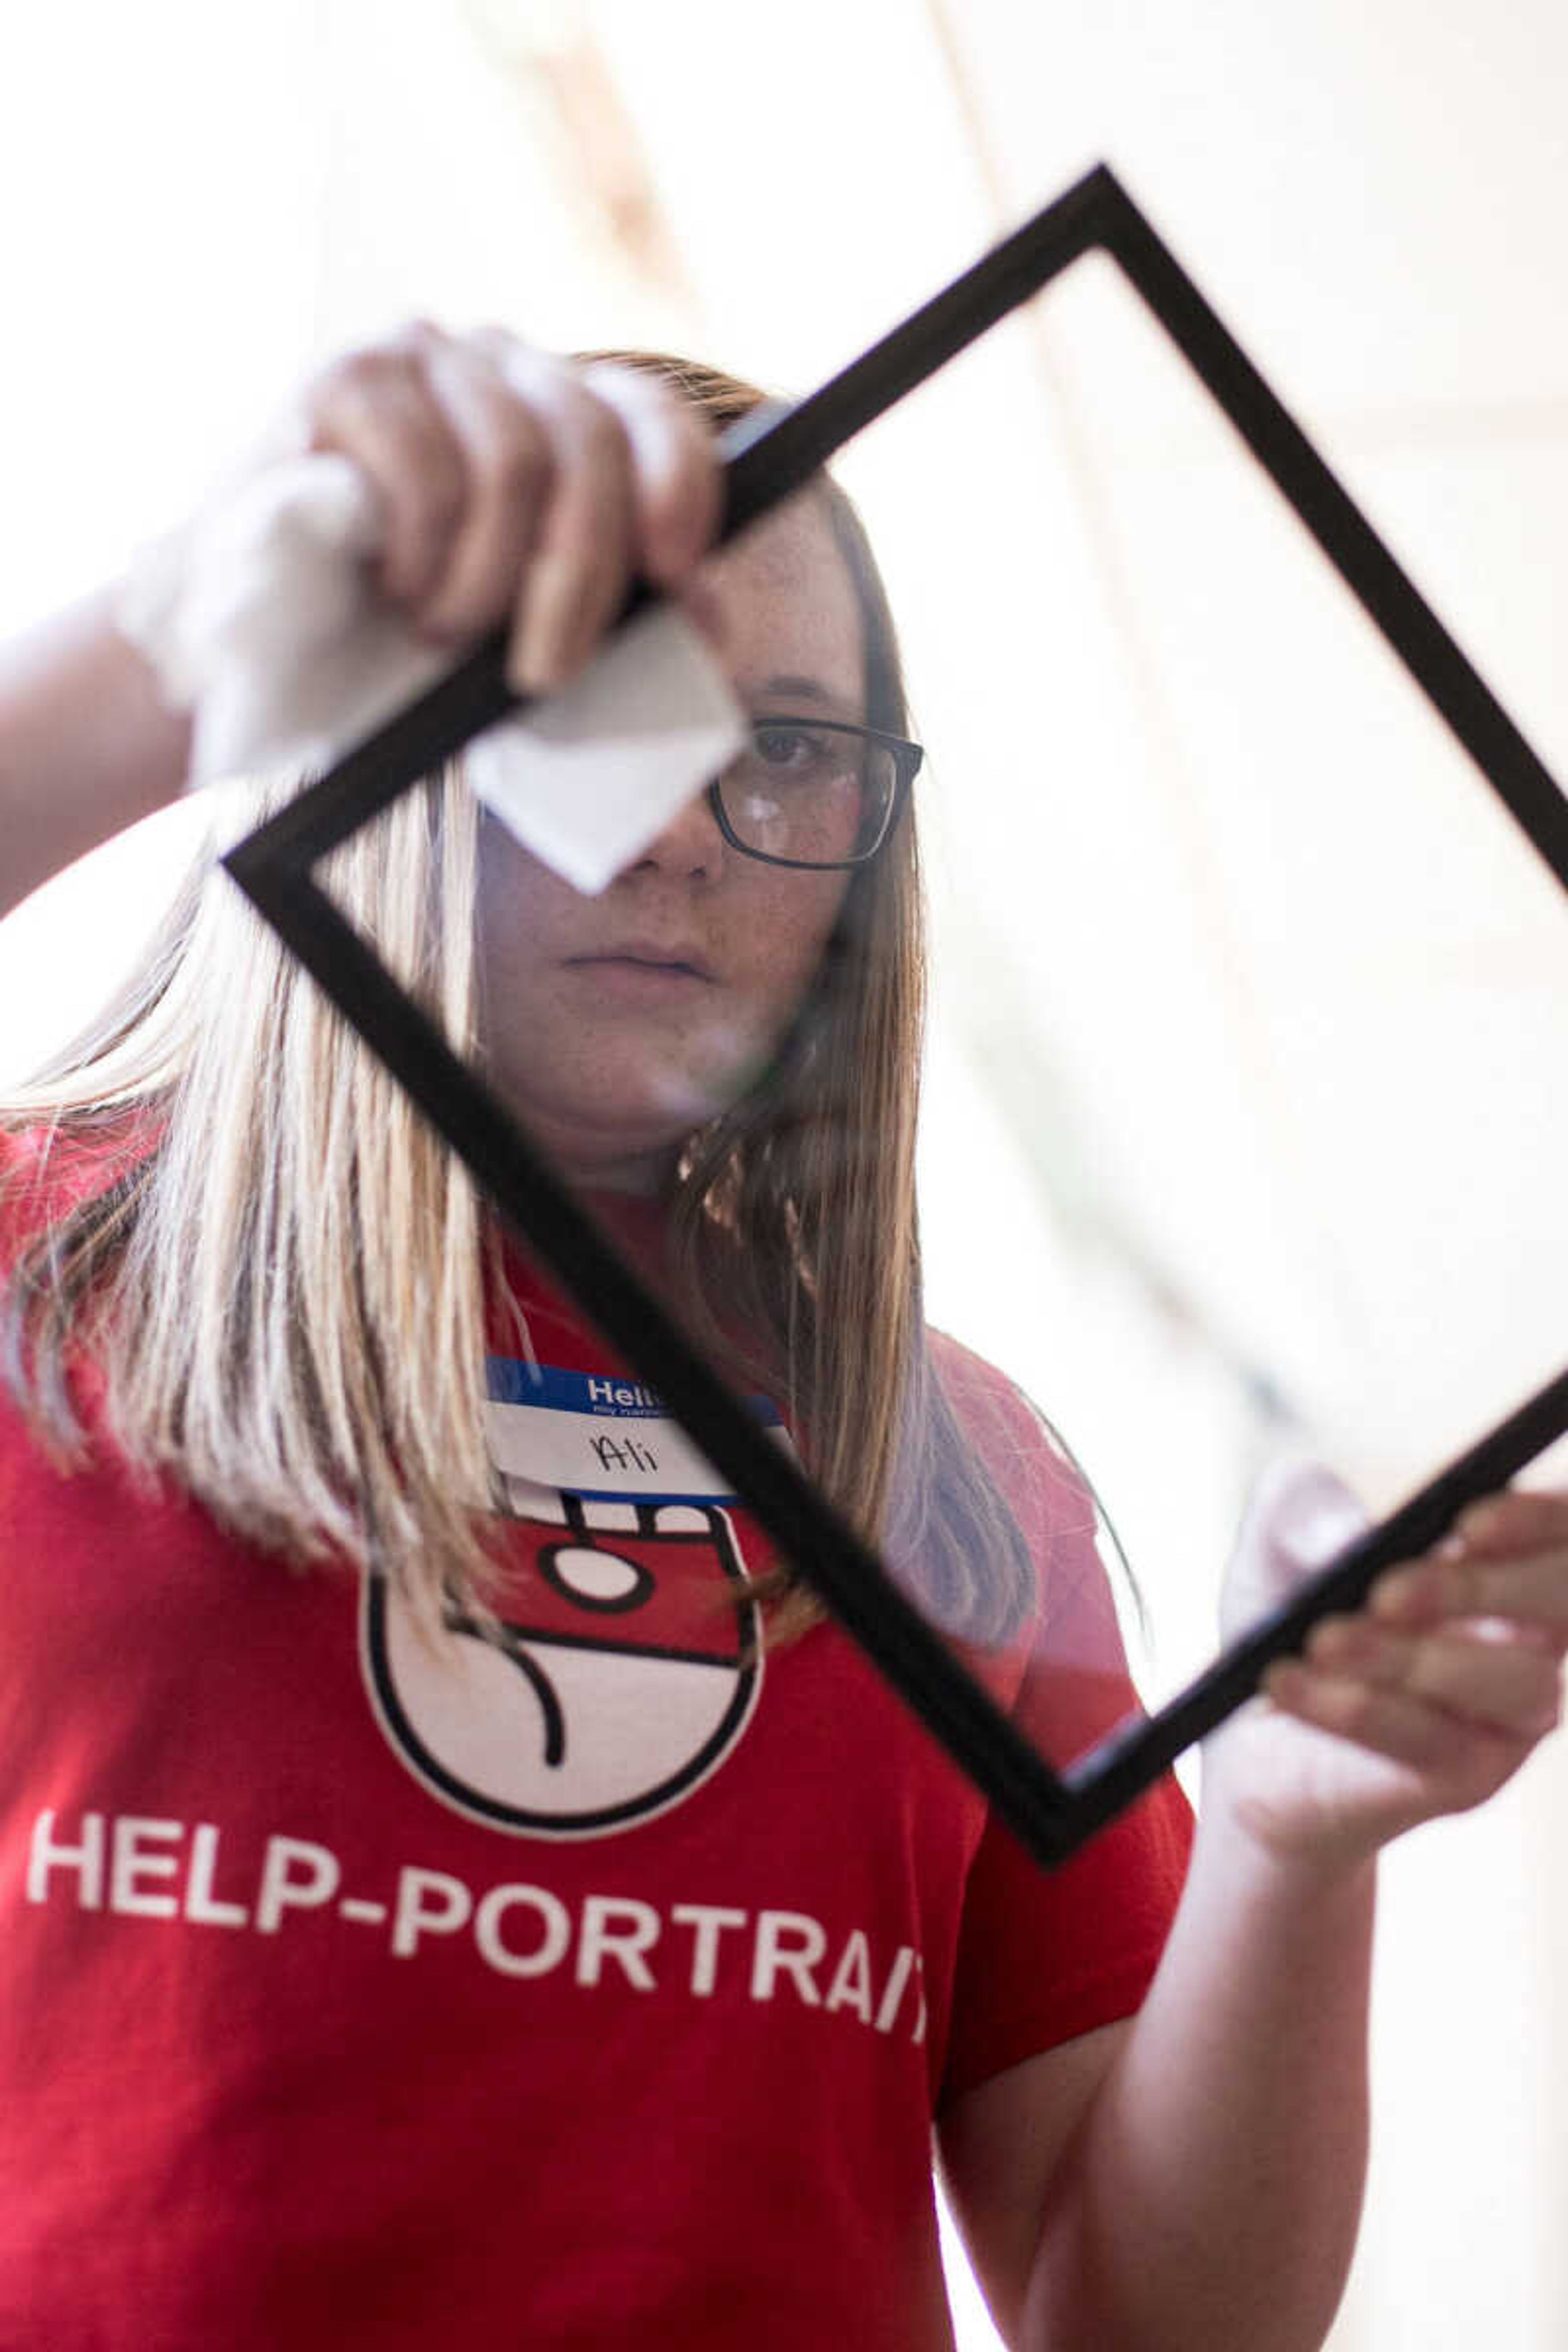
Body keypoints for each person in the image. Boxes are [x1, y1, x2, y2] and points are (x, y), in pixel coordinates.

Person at [0, 323, 1564, 2352]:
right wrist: (163, 664)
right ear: (383, 726)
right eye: (589, 709)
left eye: (797, 749)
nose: (684, 835)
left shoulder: (948, 1474)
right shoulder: (46, 1284)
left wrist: (1284, 1833)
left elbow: (1148, 2330)